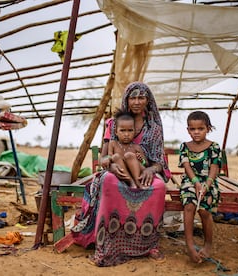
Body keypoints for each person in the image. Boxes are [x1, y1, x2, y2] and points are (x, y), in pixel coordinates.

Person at [71, 81, 170, 266]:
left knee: (158, 187)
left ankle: (149, 245)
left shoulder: (154, 129)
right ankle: (107, 243)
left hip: (142, 171)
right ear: (126, 99)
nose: (137, 101)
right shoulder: (113, 123)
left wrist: (150, 169)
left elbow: (159, 163)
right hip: (117, 170)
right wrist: (111, 166)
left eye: (142, 97)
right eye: (133, 97)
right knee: (108, 181)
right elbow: (104, 158)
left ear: (148, 100)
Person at [178, 111, 221, 263]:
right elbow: (187, 166)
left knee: (204, 210)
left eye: (200, 128)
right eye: (192, 129)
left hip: (209, 182)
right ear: (188, 130)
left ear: (208, 128)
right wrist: (196, 183)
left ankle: (208, 244)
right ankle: (190, 245)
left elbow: (215, 167)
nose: (196, 132)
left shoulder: (214, 147)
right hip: (191, 181)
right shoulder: (184, 146)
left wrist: (206, 185)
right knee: (189, 206)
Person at [103, 109, 148, 189]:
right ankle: (131, 182)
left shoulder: (136, 147)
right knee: (115, 157)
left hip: (136, 171)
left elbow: (146, 164)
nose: (126, 134)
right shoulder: (113, 143)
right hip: (121, 171)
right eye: (122, 130)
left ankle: (137, 183)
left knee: (129, 155)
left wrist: (142, 160)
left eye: (130, 130)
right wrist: (107, 159)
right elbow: (110, 156)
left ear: (134, 132)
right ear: (116, 132)